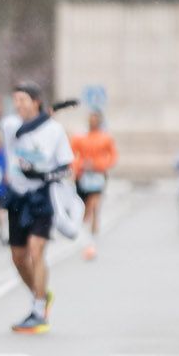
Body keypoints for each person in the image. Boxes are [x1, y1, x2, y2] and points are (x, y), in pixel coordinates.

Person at [3, 83, 73, 334]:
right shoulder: (10, 125)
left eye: (23, 100)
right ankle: (41, 293)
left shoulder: (55, 131)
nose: (18, 105)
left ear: (35, 101)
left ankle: (38, 310)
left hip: (41, 196)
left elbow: (67, 166)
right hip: (17, 196)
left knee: (36, 250)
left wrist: (42, 173)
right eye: (15, 100)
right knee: (18, 257)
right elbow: (25, 129)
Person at [70, 110, 119, 261]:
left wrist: (99, 165)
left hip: (97, 175)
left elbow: (113, 157)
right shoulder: (80, 137)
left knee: (94, 203)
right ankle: (86, 230)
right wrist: (80, 165)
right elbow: (71, 154)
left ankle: (91, 235)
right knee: (85, 207)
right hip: (83, 176)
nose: (92, 122)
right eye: (90, 119)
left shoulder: (105, 138)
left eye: (95, 119)